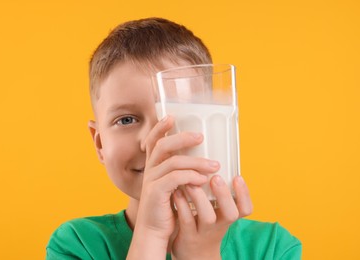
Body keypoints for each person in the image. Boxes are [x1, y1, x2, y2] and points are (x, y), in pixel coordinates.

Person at [46, 17, 302, 260]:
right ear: (100, 144)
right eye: (126, 120)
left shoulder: (273, 248)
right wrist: (151, 234)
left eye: (175, 116)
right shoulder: (76, 245)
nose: (154, 141)